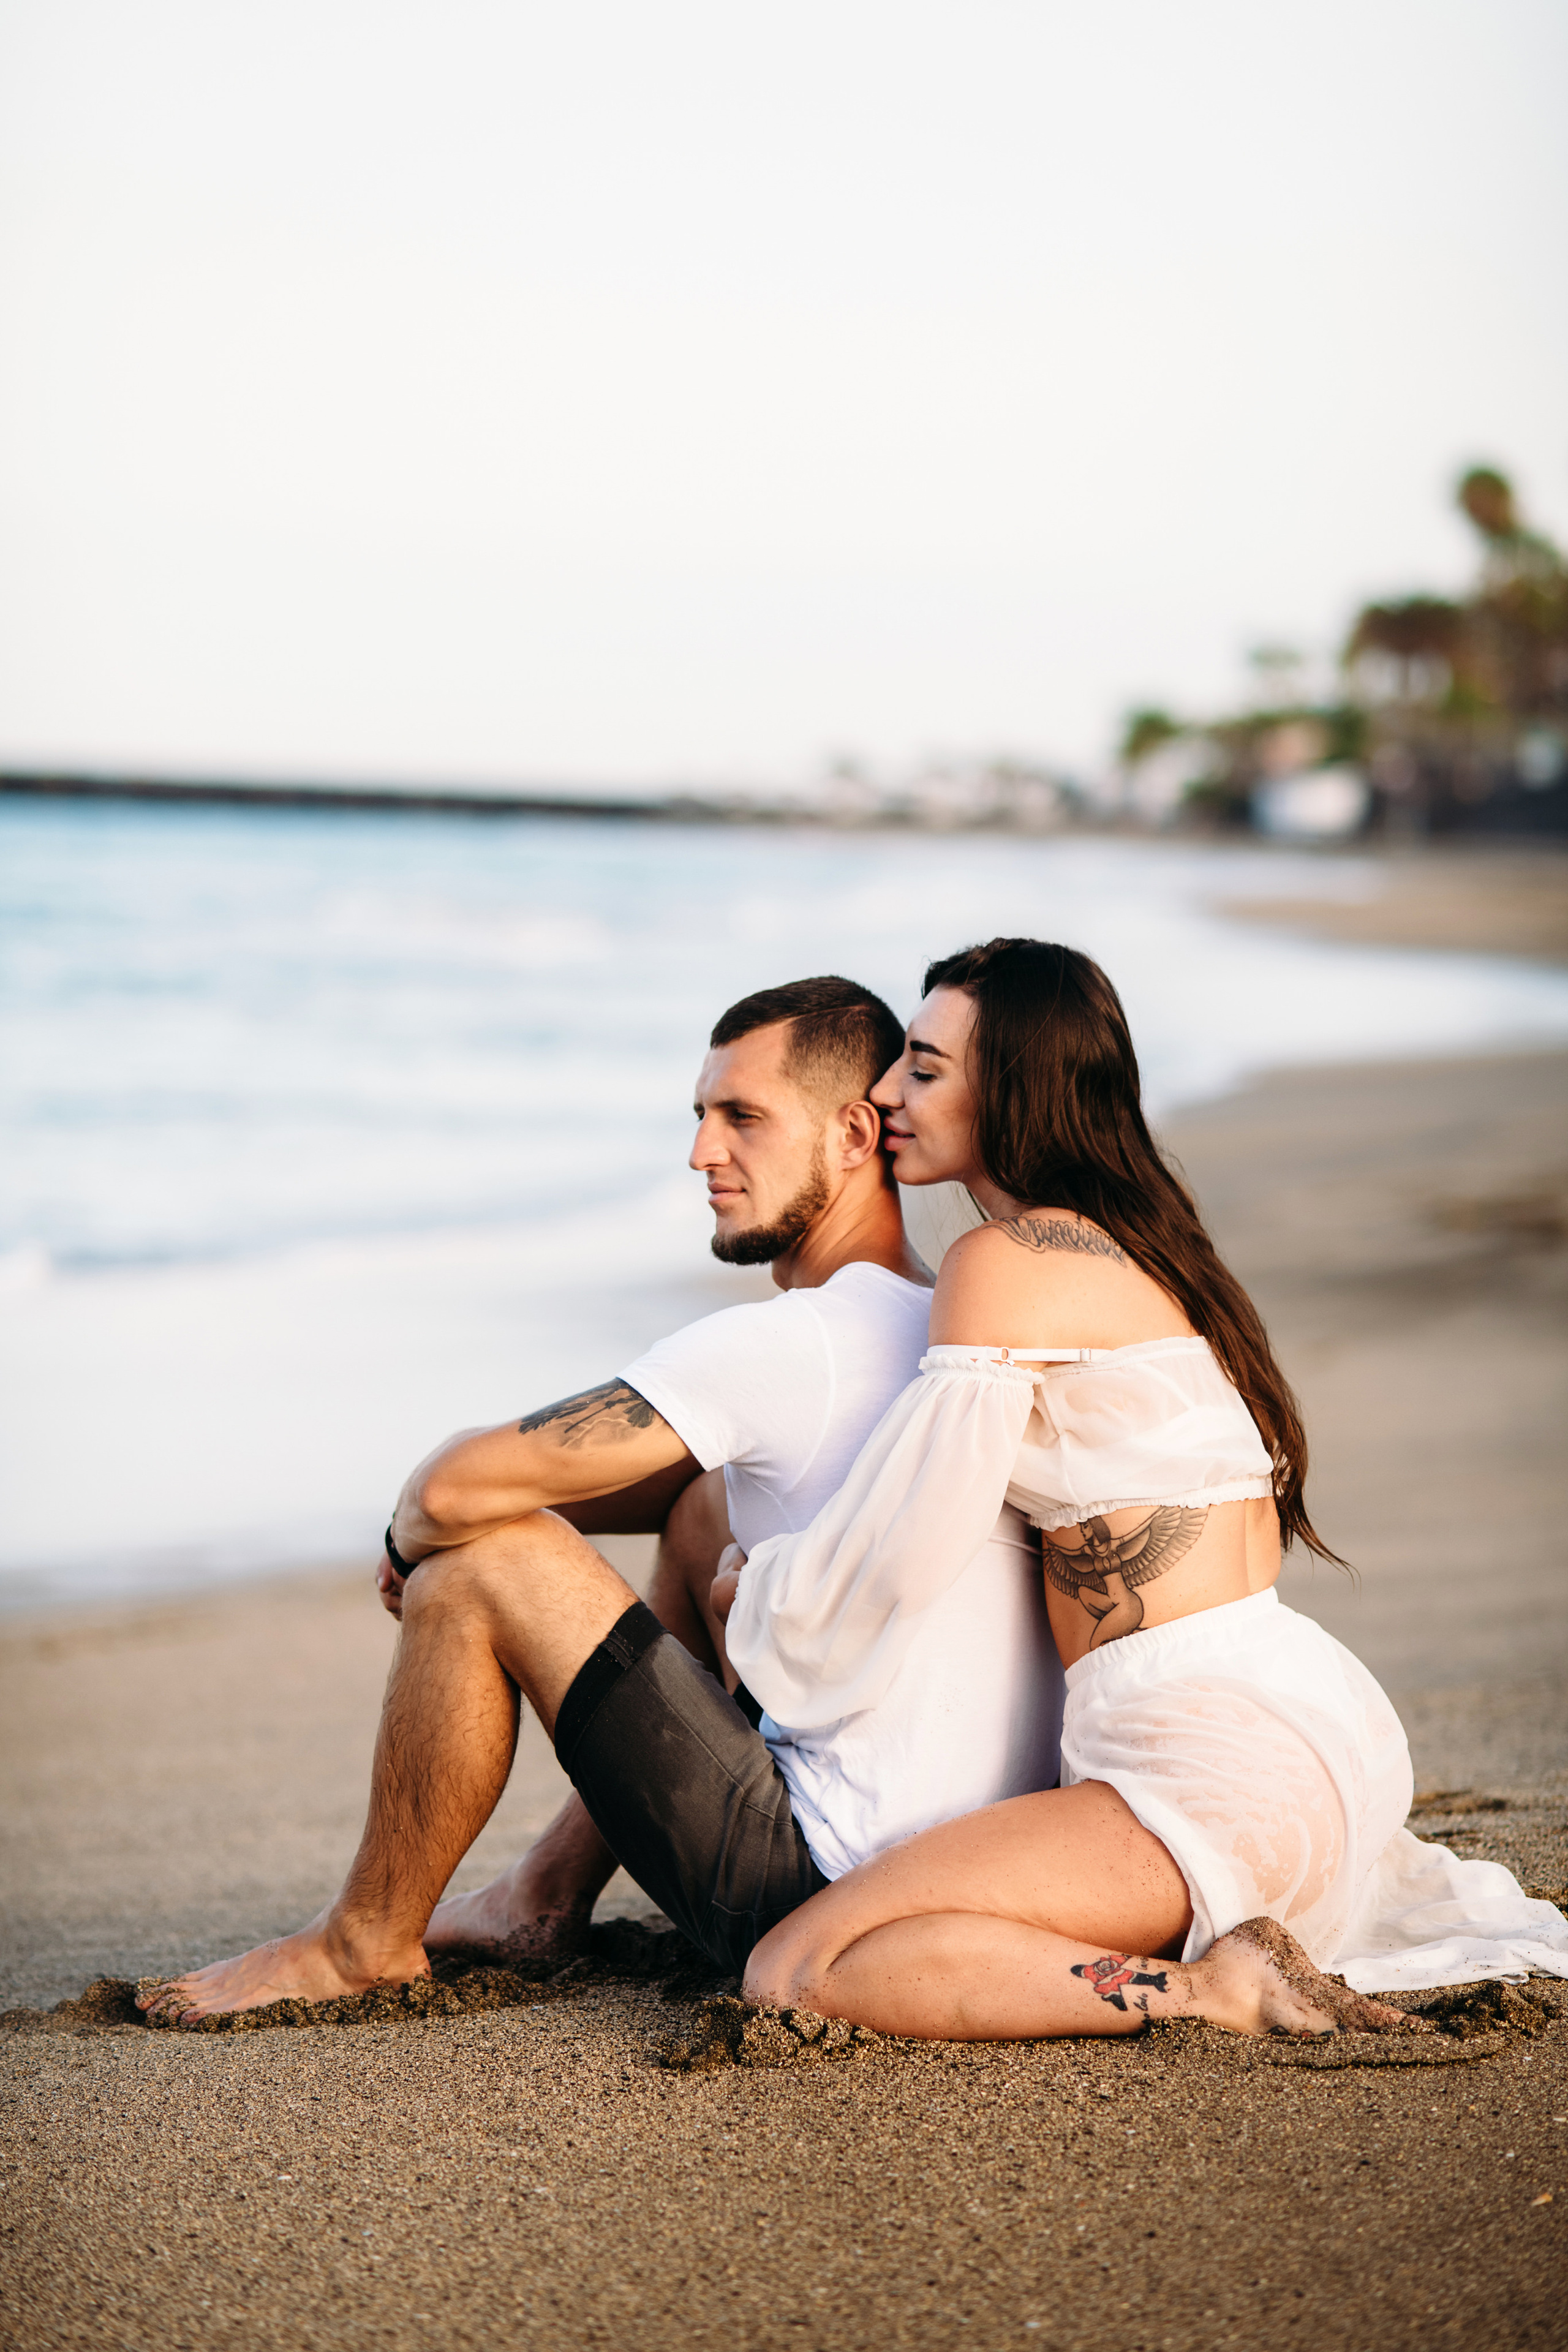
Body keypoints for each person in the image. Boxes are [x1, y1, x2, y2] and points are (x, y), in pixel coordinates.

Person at [140, 974, 1062, 2026]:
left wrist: (412, 1539)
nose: (702, 1152)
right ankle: (544, 1893)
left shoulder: (795, 1341)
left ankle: (361, 1943)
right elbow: (667, 1478)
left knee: (484, 1559)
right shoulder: (937, 1321)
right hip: (945, 1881)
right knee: (705, 1507)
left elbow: (449, 1486)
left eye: (743, 1117)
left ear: (855, 1135)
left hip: (810, 1900)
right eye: (701, 1115)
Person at [723, 939, 1568, 2040]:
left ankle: (1217, 1991)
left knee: (795, 1970)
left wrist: (758, 1589)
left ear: (1013, 1089)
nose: (886, 1093)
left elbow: (906, 1542)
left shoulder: (1003, 1262)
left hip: (1202, 1753)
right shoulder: (1149, 1251)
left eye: (923, 1069)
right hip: (1307, 1723)